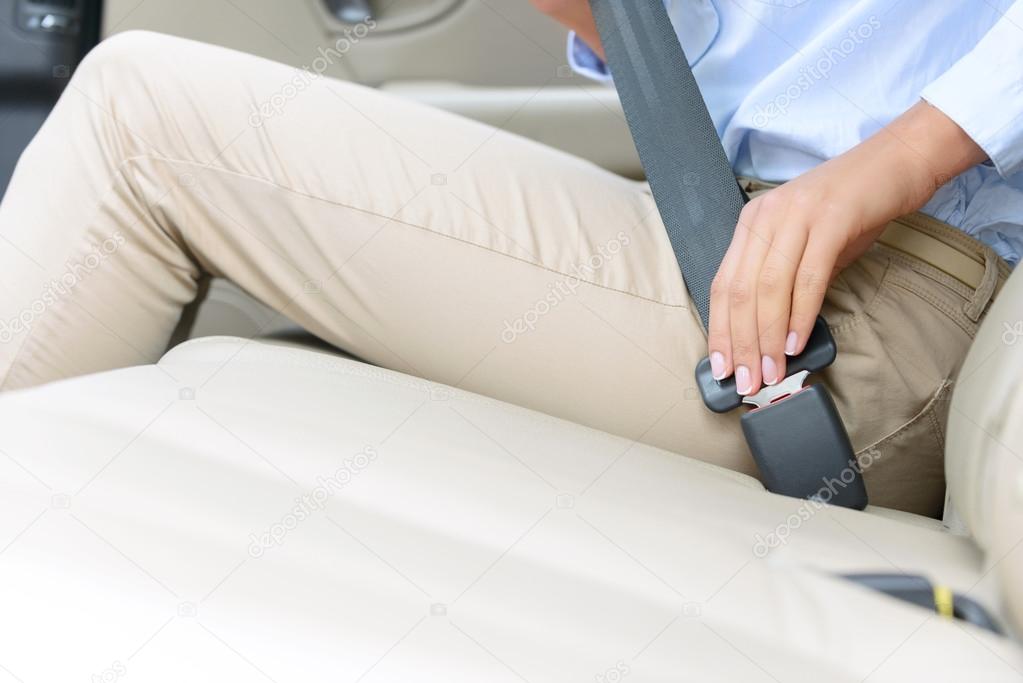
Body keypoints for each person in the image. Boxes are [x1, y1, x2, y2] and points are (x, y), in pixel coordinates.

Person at [0, 1, 1018, 517]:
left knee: (140, 121)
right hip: (732, 236)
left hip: (874, 314)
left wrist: (896, 161)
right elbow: (720, 62)